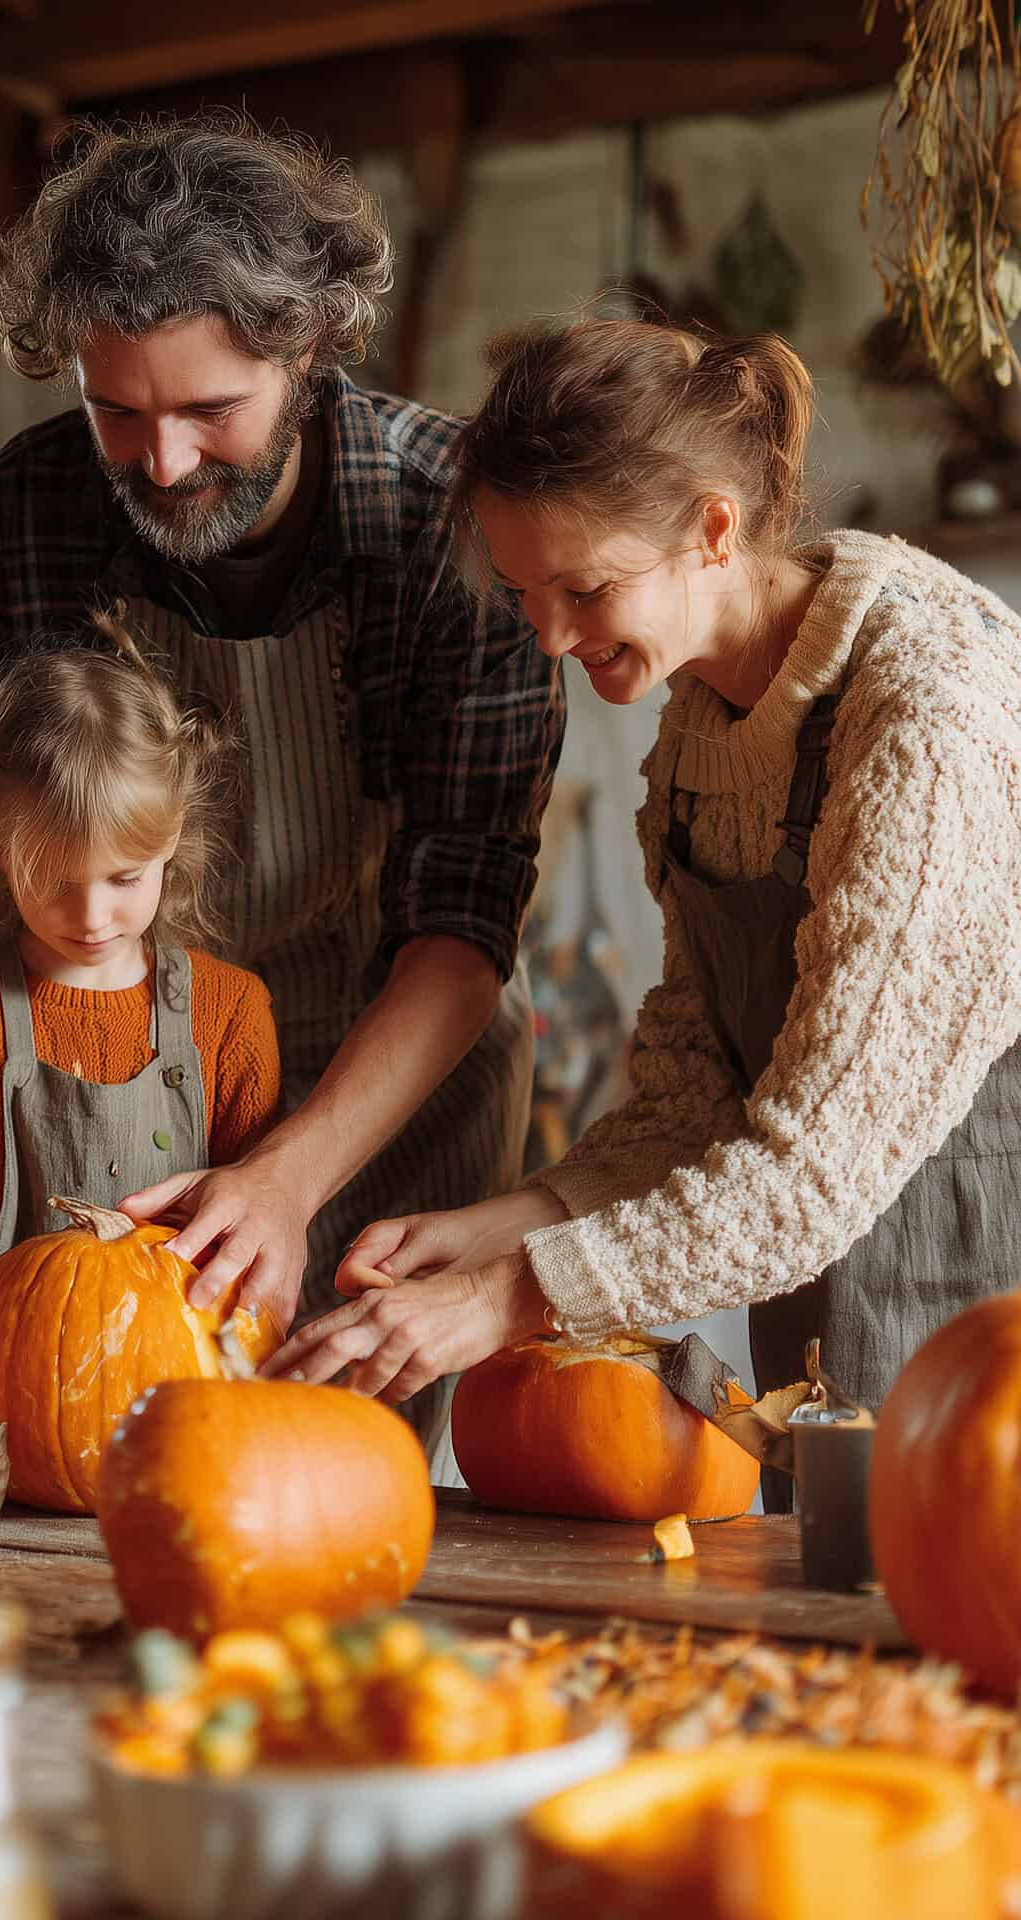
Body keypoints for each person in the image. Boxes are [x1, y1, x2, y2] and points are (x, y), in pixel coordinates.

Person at [0, 117, 563, 1446]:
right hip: (88, 1080)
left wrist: (284, 1183)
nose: (164, 464)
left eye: (209, 412)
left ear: (307, 351)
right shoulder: (25, 512)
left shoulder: (443, 526)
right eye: (116, 411)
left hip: (389, 1084)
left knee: (330, 1483)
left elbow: (462, 923)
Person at [273, 317, 1021, 1508]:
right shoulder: (700, 729)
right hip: (846, 1318)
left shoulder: (923, 719)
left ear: (713, 528)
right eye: (524, 593)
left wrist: (512, 1294)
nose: (554, 640)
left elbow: (815, 1170)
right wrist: (515, 1220)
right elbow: (696, 1091)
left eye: (585, 589)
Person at [0, 625, 282, 1341]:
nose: (91, 918)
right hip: (2, 1358)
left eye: (125, 877)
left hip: (186, 1374)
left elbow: (256, 1232)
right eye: (53, 881)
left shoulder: (232, 1013)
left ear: (172, 832)